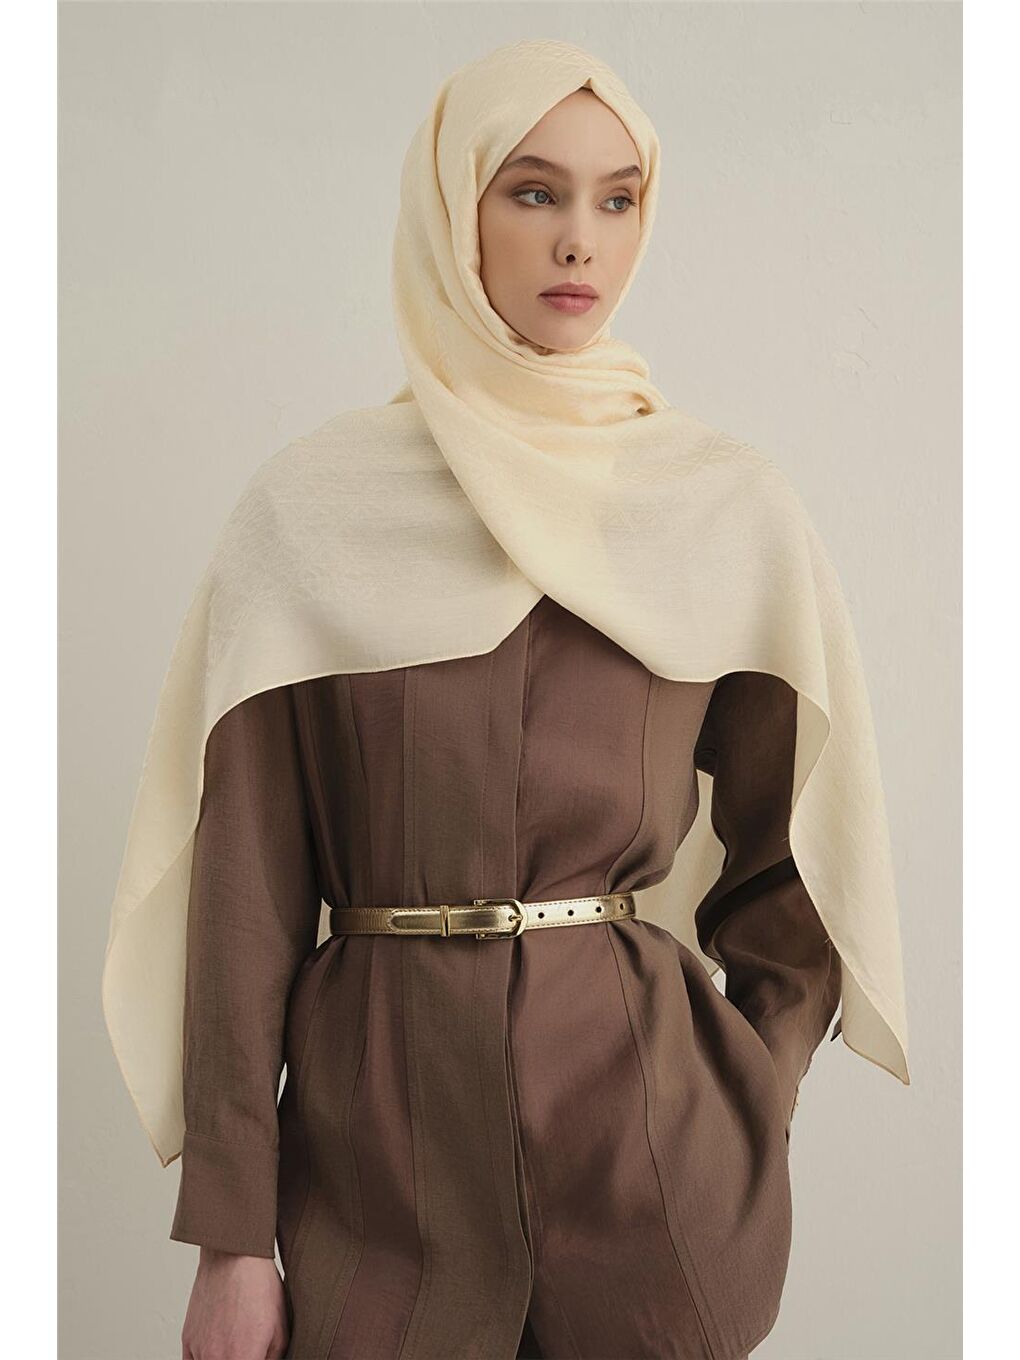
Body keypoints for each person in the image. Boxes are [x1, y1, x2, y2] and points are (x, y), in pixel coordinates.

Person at [102, 39, 909, 1360]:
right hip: (373, 1188)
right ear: (452, 204)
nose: (579, 239)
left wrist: (748, 1102)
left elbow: (797, 859)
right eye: (533, 191)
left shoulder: (720, 509)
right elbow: (243, 896)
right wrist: (233, 1241)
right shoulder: (311, 514)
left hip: (656, 1195)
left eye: (617, 198)